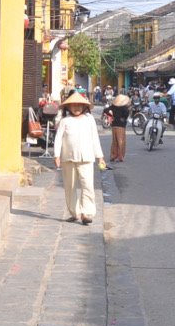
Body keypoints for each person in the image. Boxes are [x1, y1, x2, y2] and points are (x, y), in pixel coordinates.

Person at [54, 89, 106, 225]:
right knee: (69, 186)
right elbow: (58, 139)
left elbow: (95, 138)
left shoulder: (89, 120)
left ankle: (86, 213)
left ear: (84, 107)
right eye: (73, 105)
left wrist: (100, 156)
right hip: (68, 158)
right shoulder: (65, 121)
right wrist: (56, 155)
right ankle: (74, 212)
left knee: (87, 185)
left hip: (87, 158)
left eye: (79, 105)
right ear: (68, 107)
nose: (76, 107)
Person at [107, 91, 132, 164]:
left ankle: (113, 155)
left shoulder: (113, 106)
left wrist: (112, 116)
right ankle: (120, 156)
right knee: (121, 141)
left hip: (114, 125)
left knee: (114, 141)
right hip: (121, 125)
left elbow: (106, 110)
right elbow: (126, 115)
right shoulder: (124, 108)